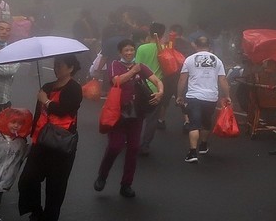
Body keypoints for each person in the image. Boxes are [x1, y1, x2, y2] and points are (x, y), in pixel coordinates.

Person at [18, 54, 83, 221]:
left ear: (70, 68)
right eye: (55, 65)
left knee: (56, 184)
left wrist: (45, 100)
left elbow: (65, 110)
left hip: (61, 143)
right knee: (27, 179)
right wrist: (30, 134)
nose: (56, 68)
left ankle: (51, 220)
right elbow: (39, 114)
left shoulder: (74, 88)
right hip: (41, 141)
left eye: (60, 65)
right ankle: (36, 212)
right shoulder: (46, 87)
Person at [94, 39, 163, 198]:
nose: (129, 53)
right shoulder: (114, 65)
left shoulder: (141, 67)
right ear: (120, 52)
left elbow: (157, 80)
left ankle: (126, 184)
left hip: (136, 113)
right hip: (118, 112)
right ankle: (102, 176)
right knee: (114, 146)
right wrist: (133, 72)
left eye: (132, 50)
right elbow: (116, 81)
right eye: (126, 50)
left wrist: (160, 91)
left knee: (133, 149)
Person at [177, 35, 231, 163]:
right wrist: (227, 95)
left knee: (194, 123)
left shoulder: (189, 59)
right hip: (211, 96)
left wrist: (179, 95)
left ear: (195, 45)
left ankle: (192, 153)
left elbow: (182, 78)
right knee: (206, 121)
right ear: (209, 46)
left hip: (194, 95)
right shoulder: (217, 60)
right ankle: (203, 145)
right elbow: (222, 79)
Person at [136, 23, 168, 154]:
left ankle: (133, 140)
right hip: (156, 88)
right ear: (163, 34)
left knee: (137, 116)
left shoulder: (142, 48)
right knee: (152, 119)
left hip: (141, 88)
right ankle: (145, 145)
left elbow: (136, 68)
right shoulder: (165, 49)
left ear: (149, 33)